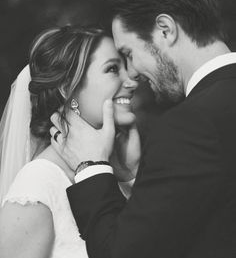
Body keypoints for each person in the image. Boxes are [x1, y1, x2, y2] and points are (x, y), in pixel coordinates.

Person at [50, 0, 236, 258]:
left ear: (165, 29)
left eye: (129, 53)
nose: (132, 73)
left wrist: (93, 167)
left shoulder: (190, 125)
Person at [0, 24, 140, 258]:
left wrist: (131, 175)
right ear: (68, 89)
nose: (132, 82)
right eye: (113, 69)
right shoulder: (38, 184)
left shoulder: (114, 170)